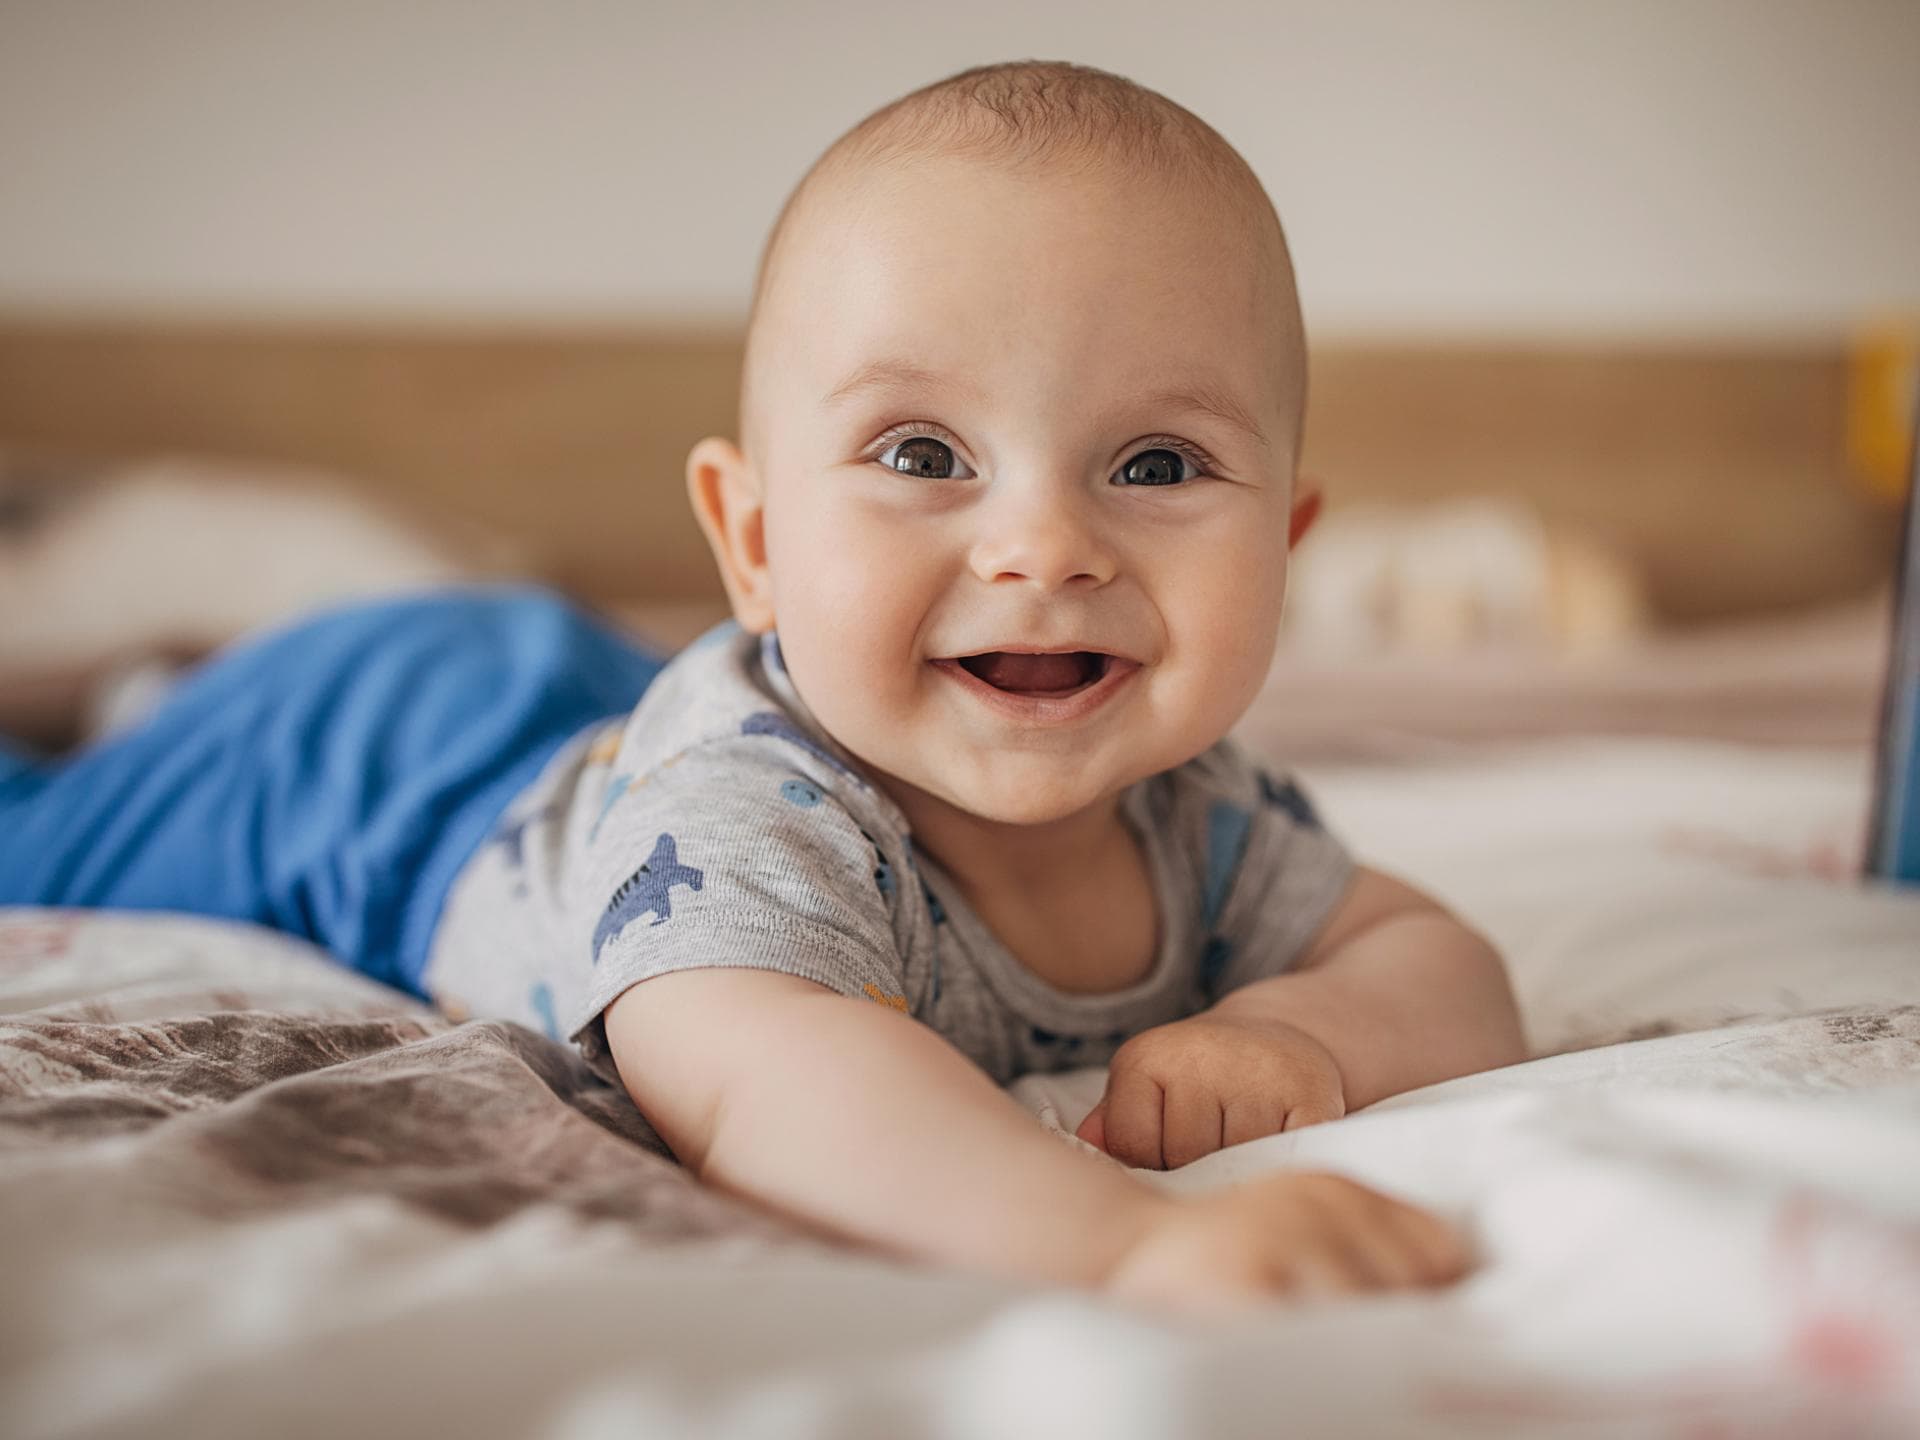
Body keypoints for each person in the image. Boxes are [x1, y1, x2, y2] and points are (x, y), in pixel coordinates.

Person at [0, 60, 1526, 1313]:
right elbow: (771, 1089)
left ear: (1285, 541)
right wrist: (1130, 1244)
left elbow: (1428, 952)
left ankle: (153, 687)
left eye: (1158, 464)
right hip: (386, 767)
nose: (1046, 546)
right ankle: (145, 692)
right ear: (753, 540)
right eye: (924, 455)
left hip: (596, 704)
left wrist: (1312, 1033)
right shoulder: (750, 823)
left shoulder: (1201, 810)